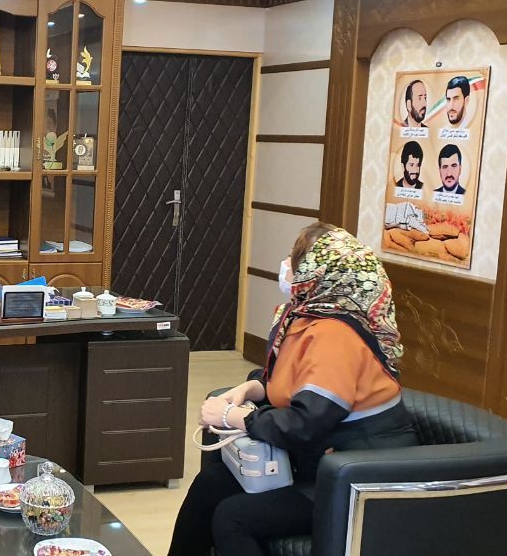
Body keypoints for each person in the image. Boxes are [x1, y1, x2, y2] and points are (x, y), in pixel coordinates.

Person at [167, 223, 418, 556]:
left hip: (352, 476)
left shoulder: (335, 334)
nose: (287, 266)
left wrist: (233, 416)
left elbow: (306, 422)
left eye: (296, 259)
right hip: (316, 461)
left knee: (233, 517)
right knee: (209, 486)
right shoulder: (305, 317)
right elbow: (293, 382)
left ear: (319, 273)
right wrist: (252, 389)